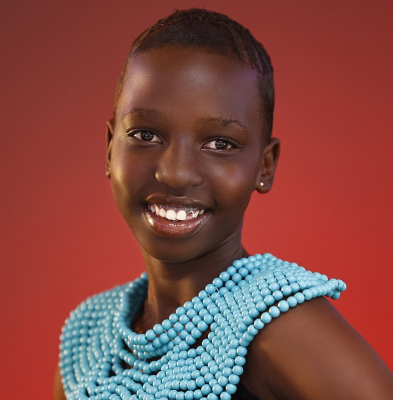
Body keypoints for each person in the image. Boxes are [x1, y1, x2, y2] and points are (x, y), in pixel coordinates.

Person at [54, 8, 393, 400]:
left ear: (265, 166)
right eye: (146, 135)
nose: (176, 173)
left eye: (220, 144)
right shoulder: (89, 339)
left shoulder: (277, 325)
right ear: (110, 148)